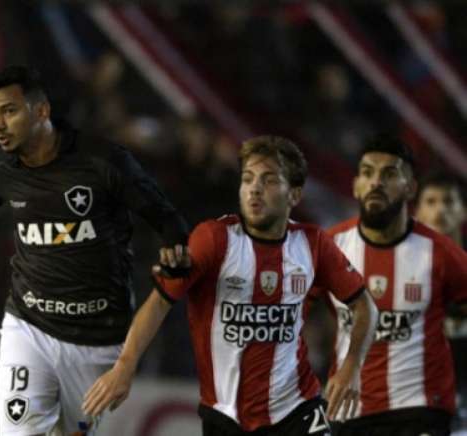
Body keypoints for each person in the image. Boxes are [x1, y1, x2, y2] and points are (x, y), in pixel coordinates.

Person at [0, 65, 189, 436]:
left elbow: (164, 215)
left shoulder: (102, 161)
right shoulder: (2, 167)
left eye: (9, 112)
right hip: (29, 324)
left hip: (94, 334)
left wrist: (173, 243)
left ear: (41, 111)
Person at [82, 135, 377, 436]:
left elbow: (365, 306)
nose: (255, 188)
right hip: (226, 416)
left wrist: (351, 365)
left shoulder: (313, 244)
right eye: (248, 179)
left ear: (294, 195)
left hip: (297, 407)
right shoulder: (214, 239)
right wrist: (125, 366)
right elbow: (159, 302)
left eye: (269, 180)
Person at [315, 136, 467, 435]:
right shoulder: (328, 247)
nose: (376, 183)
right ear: (356, 184)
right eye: (368, 173)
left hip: (422, 412)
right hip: (351, 412)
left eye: (388, 174)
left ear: (410, 188)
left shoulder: (443, 255)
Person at [414, 171, 467, 430]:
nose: (440, 210)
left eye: (449, 201)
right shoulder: (399, 274)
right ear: (418, 212)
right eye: (431, 202)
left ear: (463, 211)